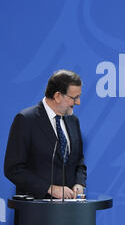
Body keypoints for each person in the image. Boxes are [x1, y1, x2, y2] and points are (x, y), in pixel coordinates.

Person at [4, 70, 87, 200]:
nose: (78, 102)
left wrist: (79, 183)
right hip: (36, 211)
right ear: (58, 96)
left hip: (71, 212)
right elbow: (14, 169)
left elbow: (79, 162)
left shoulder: (73, 121)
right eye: (74, 98)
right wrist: (49, 188)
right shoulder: (26, 120)